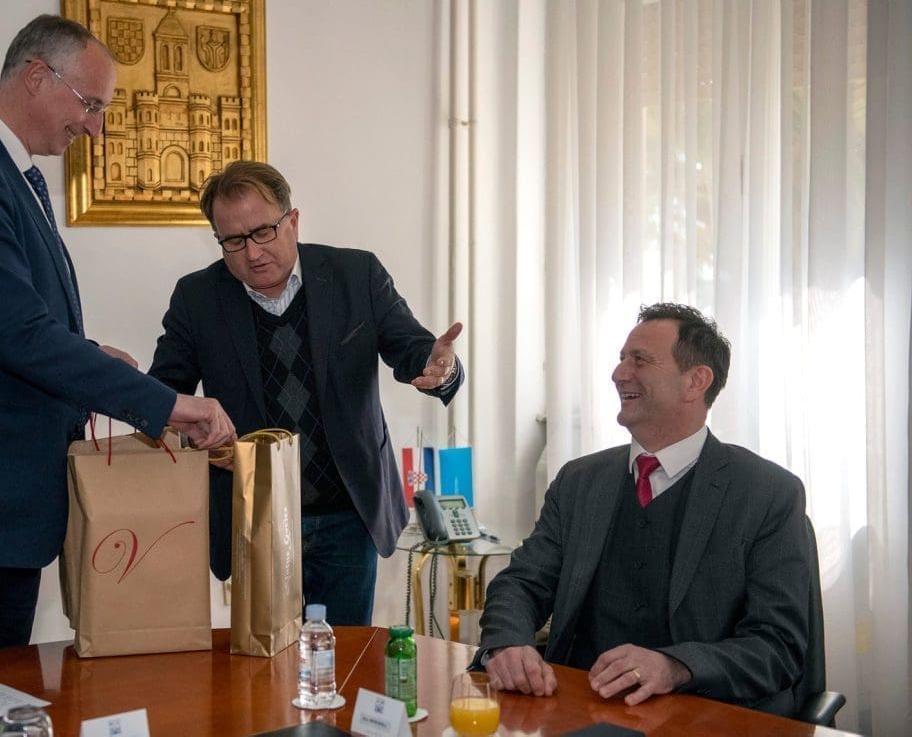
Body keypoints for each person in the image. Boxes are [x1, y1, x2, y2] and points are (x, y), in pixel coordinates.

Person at [0, 15, 236, 666]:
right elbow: (20, 335)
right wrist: (166, 404)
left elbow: (6, 325)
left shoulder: (7, 174)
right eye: (91, 104)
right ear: (36, 76)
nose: (95, 128)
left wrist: (93, 354)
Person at [147, 160, 464, 626]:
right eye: (234, 241)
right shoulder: (197, 298)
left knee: (346, 655)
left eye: (263, 232)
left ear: (293, 221)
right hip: (257, 519)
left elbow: (413, 348)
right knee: (263, 661)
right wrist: (177, 418)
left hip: (349, 515)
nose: (253, 252)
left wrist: (440, 367)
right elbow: (165, 393)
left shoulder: (356, 274)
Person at [478, 303, 811, 716]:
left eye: (640, 360)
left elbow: (778, 646)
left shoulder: (768, 493)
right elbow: (522, 583)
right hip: (577, 707)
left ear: (696, 382)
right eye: (621, 359)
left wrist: (675, 666)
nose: (619, 374)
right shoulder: (579, 481)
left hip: (705, 716)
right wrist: (508, 643)